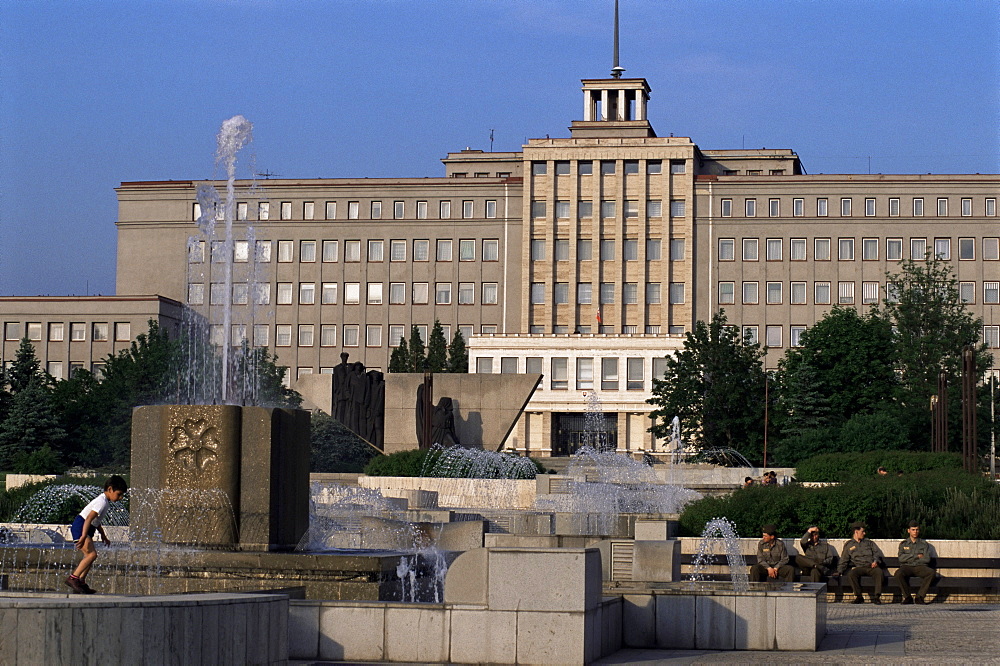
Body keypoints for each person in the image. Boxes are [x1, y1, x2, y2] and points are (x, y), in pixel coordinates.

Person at [65, 475, 127, 594]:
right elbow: (88, 518)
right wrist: (83, 536)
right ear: (110, 489)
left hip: (85, 528)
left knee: (89, 557)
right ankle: (73, 578)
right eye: (119, 494)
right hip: (81, 526)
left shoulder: (104, 501)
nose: (120, 498)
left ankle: (81, 582)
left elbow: (96, 522)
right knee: (92, 555)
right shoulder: (102, 502)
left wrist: (103, 536)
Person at [836, 521, 886, 604]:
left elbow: (876, 553)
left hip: (871, 566)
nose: (864, 533)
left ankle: (877, 597)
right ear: (856, 532)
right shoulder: (849, 545)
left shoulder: (869, 543)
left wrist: (875, 561)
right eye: (862, 531)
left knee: (879, 572)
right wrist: (839, 571)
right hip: (859, 567)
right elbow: (844, 560)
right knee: (851, 574)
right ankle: (859, 596)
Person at [893, 520, 938, 604]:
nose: (915, 532)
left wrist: (909, 557)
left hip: (919, 567)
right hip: (907, 567)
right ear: (908, 530)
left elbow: (926, 559)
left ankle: (920, 596)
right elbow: (901, 559)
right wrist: (916, 556)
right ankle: (907, 597)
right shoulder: (904, 544)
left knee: (931, 572)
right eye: (913, 529)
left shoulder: (924, 544)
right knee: (898, 574)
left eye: (917, 529)